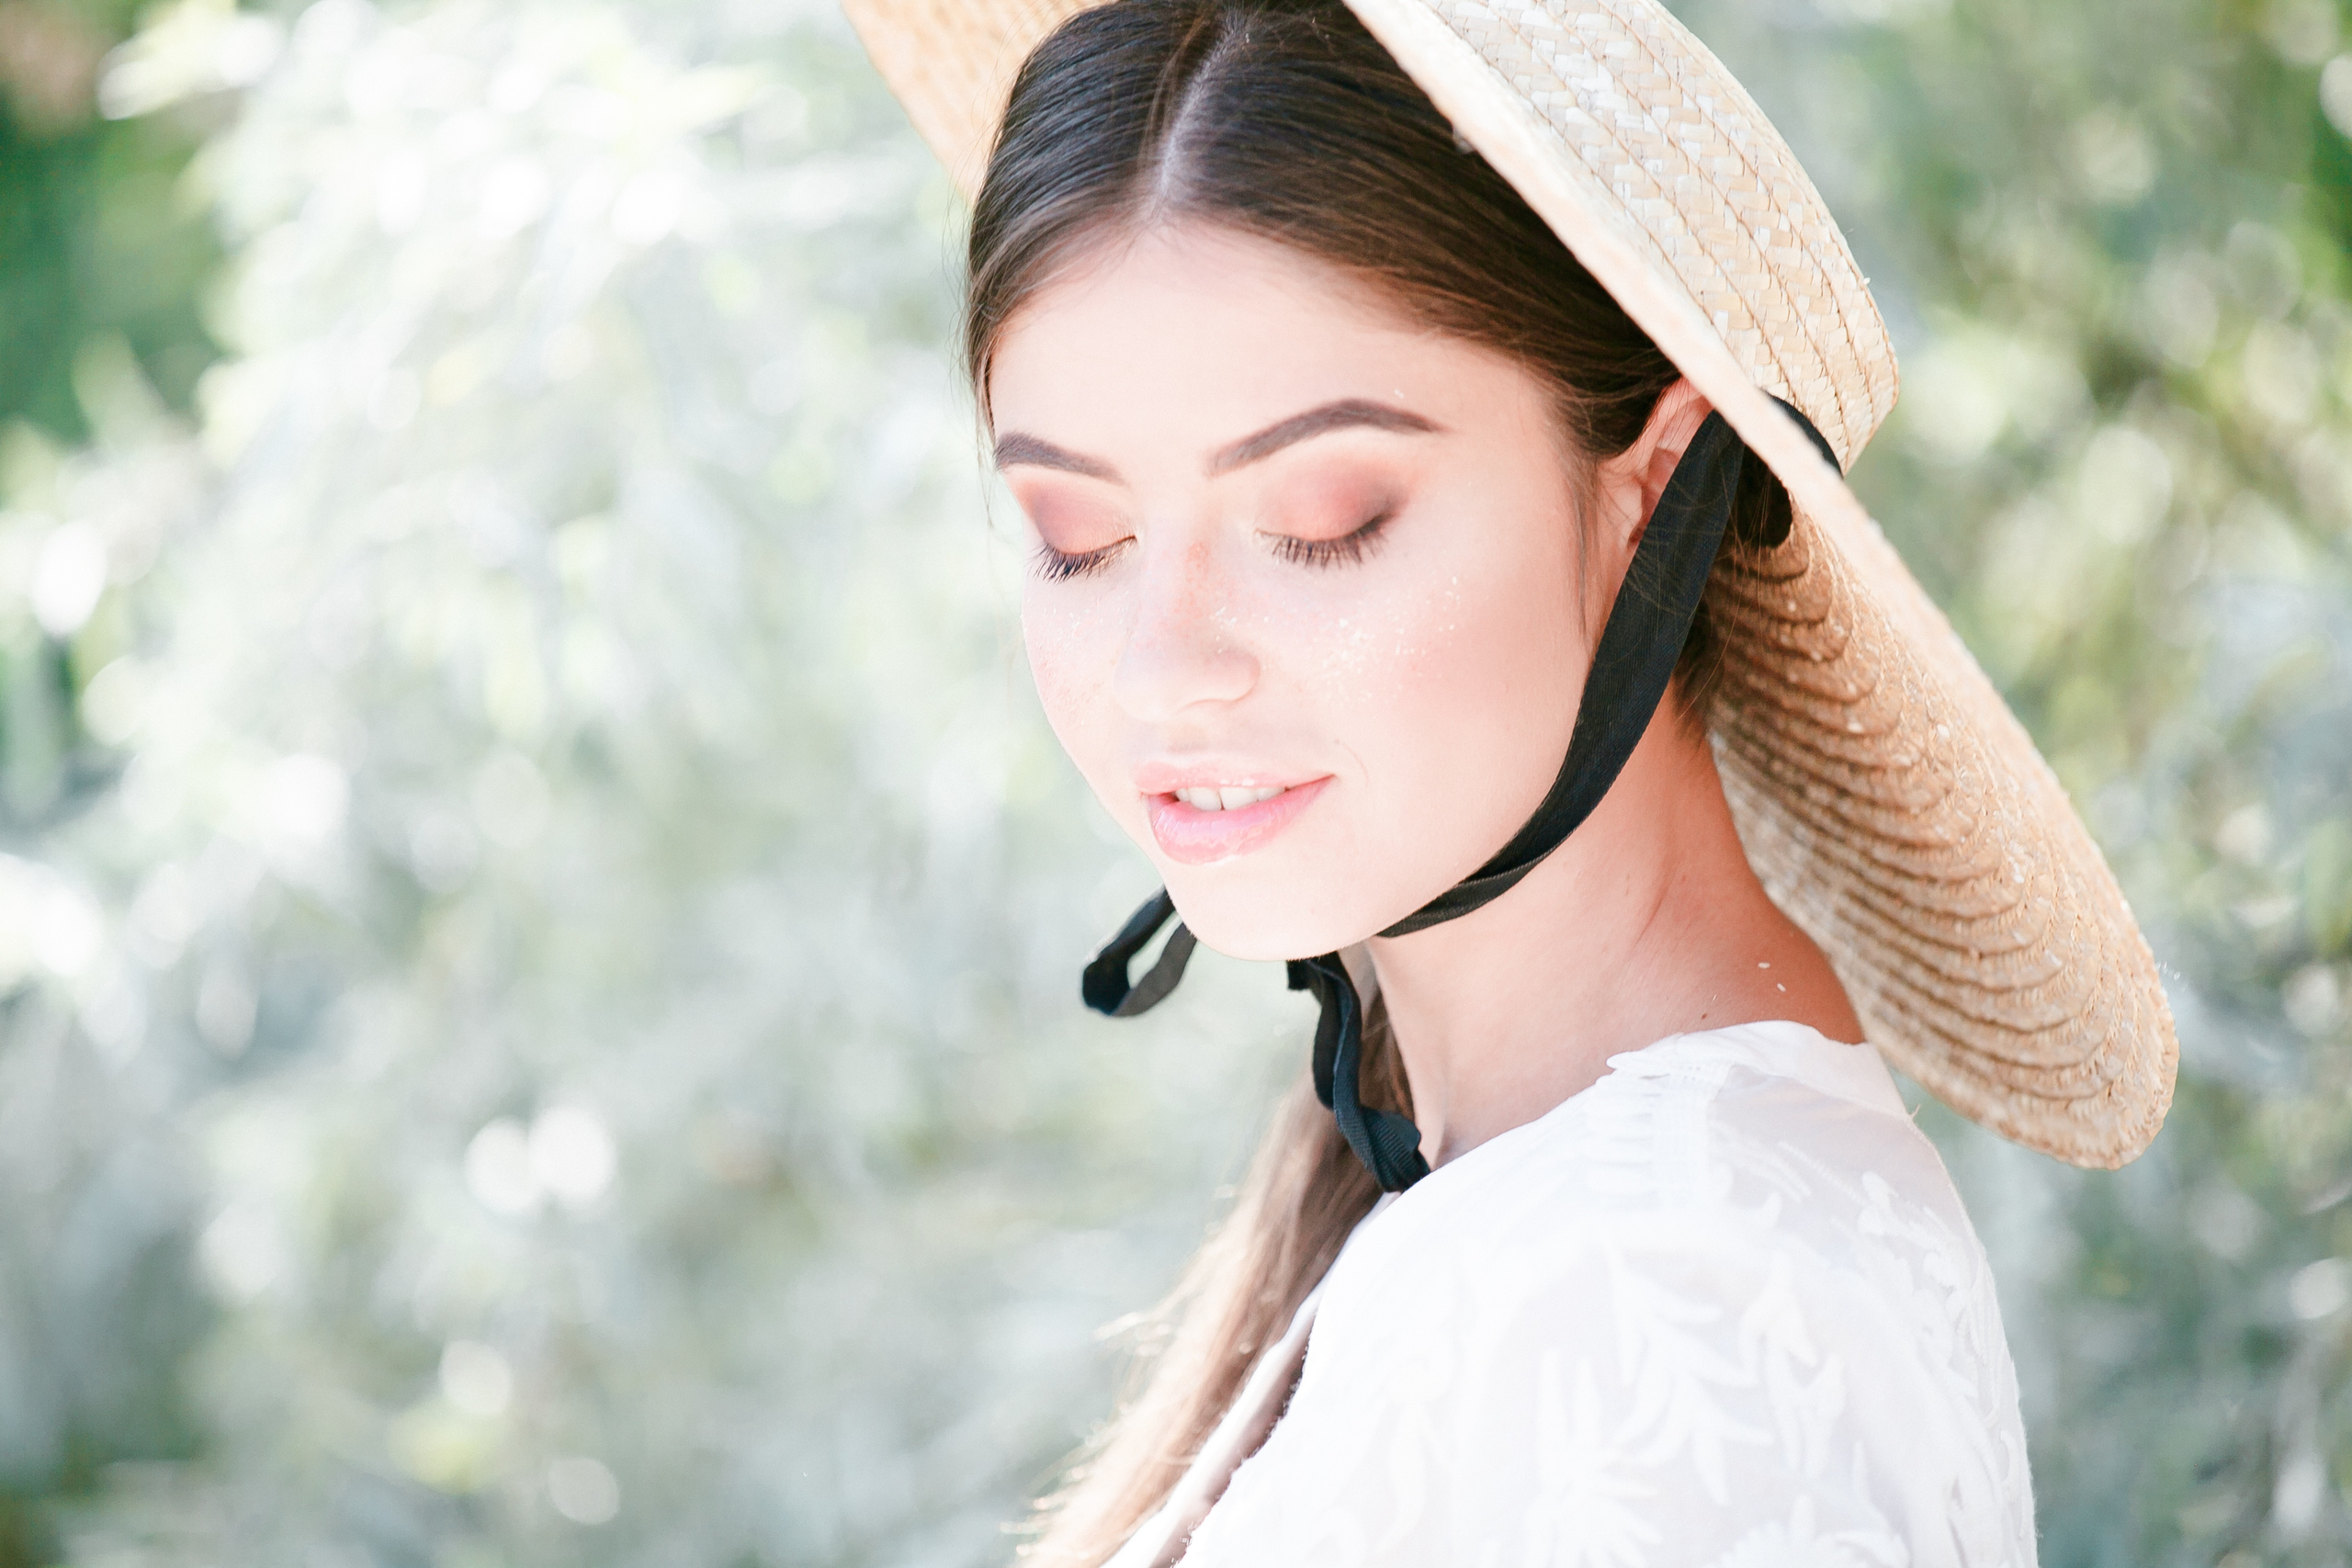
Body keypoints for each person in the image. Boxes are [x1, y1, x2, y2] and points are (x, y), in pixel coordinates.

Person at [845, 1, 2180, 1562]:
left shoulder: (1656, 1299)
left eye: (1324, 518)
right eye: (1079, 538)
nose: (1163, 665)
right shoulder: (1538, 1222)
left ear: (1655, 489)